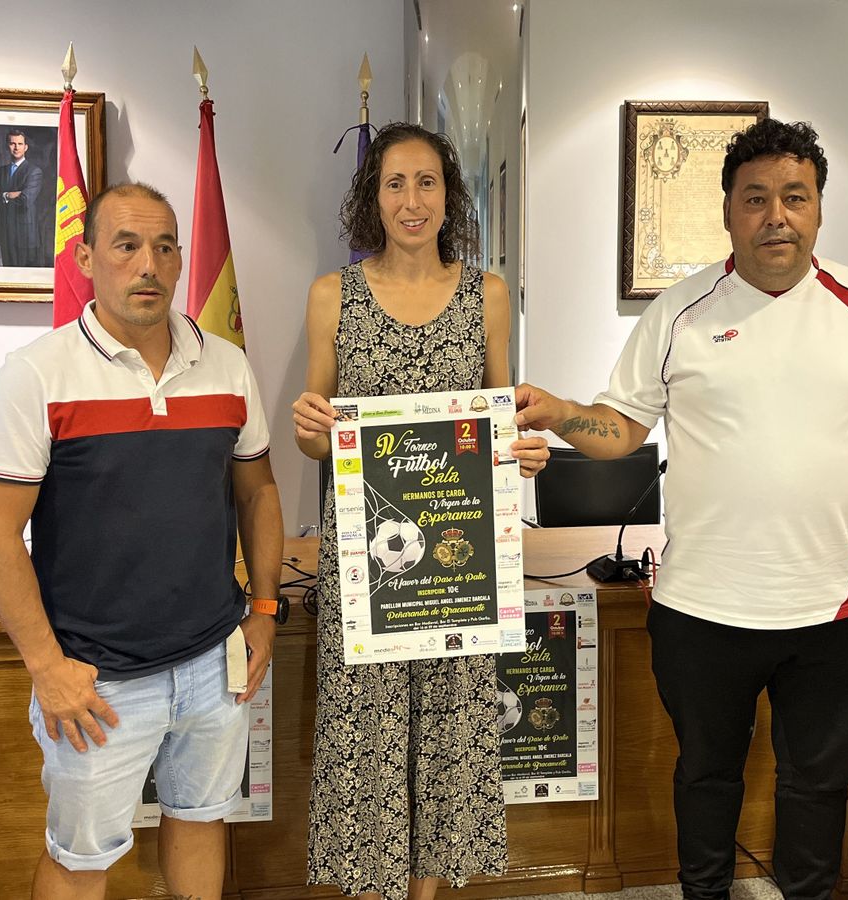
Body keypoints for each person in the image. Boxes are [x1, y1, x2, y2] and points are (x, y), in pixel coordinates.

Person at [515, 119, 848, 900]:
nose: (776, 215)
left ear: (819, 209)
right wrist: (556, 412)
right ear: (727, 212)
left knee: (818, 792)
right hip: (702, 610)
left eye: (795, 197)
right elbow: (621, 428)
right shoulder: (679, 313)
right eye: (755, 198)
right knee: (706, 780)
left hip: (834, 614)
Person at [0, 182, 283, 900]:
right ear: (86, 259)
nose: (149, 264)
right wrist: (46, 667)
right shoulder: (37, 374)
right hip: (95, 678)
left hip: (213, 661)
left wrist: (264, 611)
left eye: (165, 248)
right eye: (127, 246)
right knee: (81, 860)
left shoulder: (226, 365)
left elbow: (258, 492)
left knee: (201, 820)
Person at [291, 122, 550, 900]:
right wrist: (309, 428)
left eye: (427, 182)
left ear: (449, 195)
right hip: (365, 569)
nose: (412, 200)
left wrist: (522, 450)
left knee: (448, 738)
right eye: (395, 183)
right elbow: (317, 438)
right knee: (366, 741)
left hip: (459, 568)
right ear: (373, 198)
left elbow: (499, 419)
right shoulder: (332, 295)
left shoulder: (486, 295)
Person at [0, 128, 48, 267]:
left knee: (26, 276)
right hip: (6, 234)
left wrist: (0, 194)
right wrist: (8, 195)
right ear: (8, 146)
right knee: (8, 275)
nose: (16, 147)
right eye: (12, 143)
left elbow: (25, 200)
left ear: (26, 147)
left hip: (26, 235)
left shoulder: (34, 172)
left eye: (20, 144)